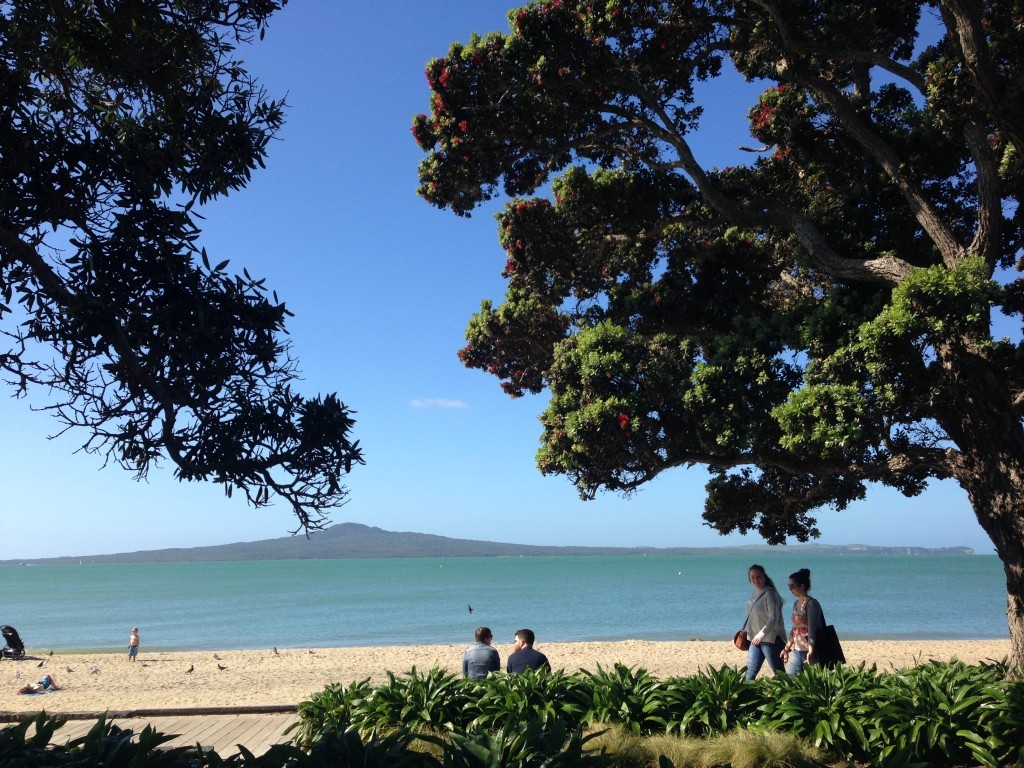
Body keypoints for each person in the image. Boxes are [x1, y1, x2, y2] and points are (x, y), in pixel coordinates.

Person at [741, 563, 786, 680]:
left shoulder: (770, 594)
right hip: (755, 640)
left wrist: (761, 635)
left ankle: (788, 695)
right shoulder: (755, 593)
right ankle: (744, 696)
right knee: (750, 671)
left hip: (771, 639)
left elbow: (773, 618)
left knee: (779, 672)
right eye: (753, 577)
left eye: (758, 576)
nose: (756, 580)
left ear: (764, 577)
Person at [781, 568, 825, 674]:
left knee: (813, 683)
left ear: (802, 586)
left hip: (811, 651)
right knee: (790, 681)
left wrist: (810, 650)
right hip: (797, 650)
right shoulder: (796, 604)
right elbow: (795, 629)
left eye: (792, 586)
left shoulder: (812, 604)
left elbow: (812, 629)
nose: (790, 589)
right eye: (789, 587)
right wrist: (786, 649)